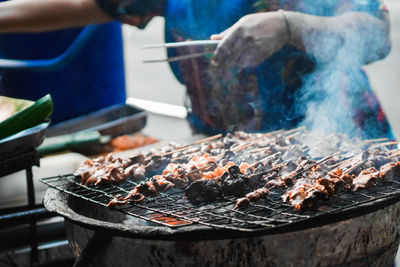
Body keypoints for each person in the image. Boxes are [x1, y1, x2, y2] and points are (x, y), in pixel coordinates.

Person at [0, 0, 394, 140]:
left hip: (336, 147)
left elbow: (376, 34)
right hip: (224, 158)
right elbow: (84, 5)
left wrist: (289, 27)